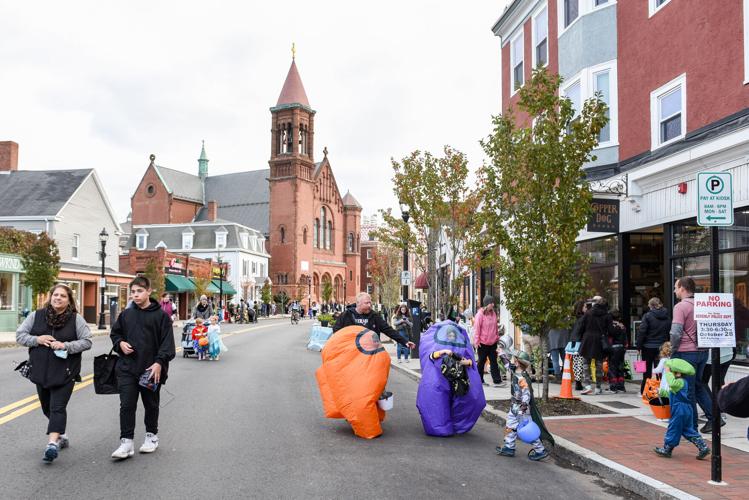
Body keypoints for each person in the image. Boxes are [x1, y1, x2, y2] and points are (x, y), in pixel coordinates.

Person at [16, 284, 92, 464]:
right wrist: (37, 339)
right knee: (47, 407)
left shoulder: (76, 319)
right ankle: (61, 434)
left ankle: (51, 444)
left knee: (58, 407)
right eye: (55, 295)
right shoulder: (37, 316)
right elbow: (20, 336)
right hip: (41, 371)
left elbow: (87, 341)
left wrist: (65, 345)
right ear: (50, 297)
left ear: (69, 300)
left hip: (66, 372)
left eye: (63, 296)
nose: (58, 298)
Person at [110, 276, 175, 460]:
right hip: (128, 368)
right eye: (133, 292)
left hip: (151, 369)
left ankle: (151, 437)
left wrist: (159, 363)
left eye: (139, 291)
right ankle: (126, 442)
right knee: (127, 405)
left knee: (151, 404)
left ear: (149, 291)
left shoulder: (161, 317)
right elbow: (115, 333)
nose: (135, 295)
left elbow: (167, 344)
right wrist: (120, 343)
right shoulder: (126, 315)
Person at [416, 322, 486, 436]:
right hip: (439, 378)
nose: (451, 338)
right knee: (437, 399)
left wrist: (462, 361)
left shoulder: (461, 346)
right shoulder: (438, 346)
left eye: (453, 336)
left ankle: (458, 424)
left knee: (469, 399)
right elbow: (430, 356)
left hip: (459, 378)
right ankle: (441, 426)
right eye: (450, 336)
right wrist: (443, 352)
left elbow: (470, 362)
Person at [670, 277, 715, 434]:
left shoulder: (680, 307)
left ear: (682, 288)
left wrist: (671, 350)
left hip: (685, 353)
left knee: (687, 390)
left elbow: (676, 332)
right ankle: (714, 418)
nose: (675, 290)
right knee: (698, 385)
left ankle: (692, 427)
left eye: (676, 287)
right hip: (703, 351)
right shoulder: (702, 304)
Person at [495, 350, 551, 461]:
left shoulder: (522, 378)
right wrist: (501, 354)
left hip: (521, 408)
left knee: (527, 430)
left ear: (517, 362)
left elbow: (526, 394)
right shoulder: (515, 371)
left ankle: (540, 450)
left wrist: (523, 408)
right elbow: (507, 364)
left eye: (514, 359)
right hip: (514, 406)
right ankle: (509, 446)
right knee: (510, 425)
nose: (512, 361)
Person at [654, 359, 710, 459]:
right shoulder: (682, 383)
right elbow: (672, 393)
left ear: (678, 373)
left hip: (679, 409)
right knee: (687, 430)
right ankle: (703, 447)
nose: (670, 373)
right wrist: (661, 392)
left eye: (672, 372)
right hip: (686, 409)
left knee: (673, 428)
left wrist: (667, 372)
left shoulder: (680, 382)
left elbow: (672, 384)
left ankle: (667, 449)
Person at [332, 292, 416, 351]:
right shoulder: (347, 315)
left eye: (370, 303)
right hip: (351, 352)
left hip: (370, 352)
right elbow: (336, 331)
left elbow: (388, 330)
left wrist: (404, 341)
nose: (369, 305)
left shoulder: (374, 316)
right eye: (366, 303)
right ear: (358, 303)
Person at [578, 296, 615, 395]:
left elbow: (581, 327)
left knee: (586, 364)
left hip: (587, 339)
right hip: (600, 340)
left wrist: (580, 337)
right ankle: (598, 387)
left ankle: (587, 386)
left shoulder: (588, 313)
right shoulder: (607, 315)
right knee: (599, 364)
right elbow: (611, 330)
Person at [636, 297, 671, 395]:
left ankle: (644, 391)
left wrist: (638, 347)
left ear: (651, 306)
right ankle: (660, 390)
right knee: (660, 370)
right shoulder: (667, 316)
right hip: (662, 347)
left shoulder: (647, 316)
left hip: (648, 347)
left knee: (646, 371)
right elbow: (669, 331)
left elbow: (642, 332)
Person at [473, 296, 505, 388]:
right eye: (491, 303)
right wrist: (477, 341)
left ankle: (497, 381)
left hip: (493, 342)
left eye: (493, 303)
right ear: (487, 304)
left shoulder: (493, 313)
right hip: (482, 343)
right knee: (481, 362)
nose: (493, 304)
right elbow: (477, 329)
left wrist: (497, 337)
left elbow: (495, 327)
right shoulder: (480, 315)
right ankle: (480, 380)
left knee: (494, 361)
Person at [607, 310, 628, 393]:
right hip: (621, 348)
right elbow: (625, 338)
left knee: (612, 367)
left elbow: (609, 337)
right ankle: (621, 386)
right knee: (620, 367)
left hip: (613, 348)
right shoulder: (622, 326)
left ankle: (613, 386)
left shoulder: (611, 326)